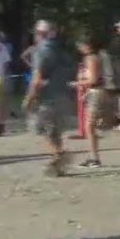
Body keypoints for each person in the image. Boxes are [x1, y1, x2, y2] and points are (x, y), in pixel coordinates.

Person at [24, 20, 75, 176]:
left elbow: (37, 78)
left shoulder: (40, 51)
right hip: (64, 94)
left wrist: (29, 97)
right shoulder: (62, 51)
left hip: (46, 97)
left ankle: (60, 154)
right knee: (55, 131)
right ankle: (57, 165)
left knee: (40, 128)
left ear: (39, 34)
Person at [75, 35, 120, 168]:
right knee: (110, 124)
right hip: (103, 93)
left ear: (88, 45)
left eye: (81, 45)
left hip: (97, 94)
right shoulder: (101, 56)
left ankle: (94, 158)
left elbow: (93, 80)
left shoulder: (91, 58)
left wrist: (77, 83)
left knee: (90, 126)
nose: (80, 48)